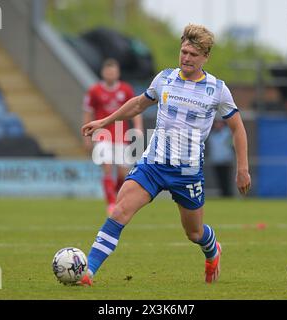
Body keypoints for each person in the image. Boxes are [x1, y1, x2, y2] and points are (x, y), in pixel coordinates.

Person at [80, 24, 251, 286]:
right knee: (119, 211)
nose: (186, 58)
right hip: (154, 164)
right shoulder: (164, 79)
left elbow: (237, 128)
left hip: (187, 172)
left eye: (193, 54)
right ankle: (88, 272)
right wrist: (105, 121)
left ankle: (212, 248)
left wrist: (242, 169)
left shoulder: (218, 89)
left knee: (193, 233)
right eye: (183, 52)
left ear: (205, 56)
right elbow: (138, 104)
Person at [83, 58, 143, 215]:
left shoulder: (126, 89)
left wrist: (138, 127)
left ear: (118, 73)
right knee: (107, 167)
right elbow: (88, 114)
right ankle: (110, 203)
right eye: (108, 71)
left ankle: (114, 196)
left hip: (121, 135)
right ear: (103, 73)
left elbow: (136, 108)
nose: (110, 74)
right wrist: (87, 137)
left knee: (123, 174)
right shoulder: (94, 91)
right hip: (103, 136)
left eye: (113, 71)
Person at [208, 119, 235, 197]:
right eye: (216, 123)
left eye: (219, 123)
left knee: (227, 179)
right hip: (216, 161)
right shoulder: (212, 135)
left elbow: (232, 144)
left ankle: (228, 195)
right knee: (219, 180)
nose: (218, 125)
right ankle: (223, 195)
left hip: (226, 161)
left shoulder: (227, 133)